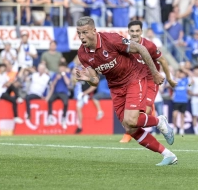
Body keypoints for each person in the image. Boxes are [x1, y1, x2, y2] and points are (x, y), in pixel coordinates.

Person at [76, 16, 176, 166]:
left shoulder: (111, 40)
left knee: (130, 120)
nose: (82, 37)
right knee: (129, 128)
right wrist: (88, 79)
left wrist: (155, 73)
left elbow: (141, 48)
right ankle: (168, 155)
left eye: (85, 32)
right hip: (115, 87)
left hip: (133, 79)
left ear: (94, 30)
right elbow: (95, 81)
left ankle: (159, 121)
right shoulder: (82, 54)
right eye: (79, 33)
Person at [119, 20, 177, 143]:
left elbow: (163, 61)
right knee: (130, 113)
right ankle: (130, 132)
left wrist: (170, 79)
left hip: (150, 79)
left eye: (137, 31)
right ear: (128, 32)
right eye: (132, 31)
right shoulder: (124, 46)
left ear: (141, 31)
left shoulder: (149, 46)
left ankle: (156, 119)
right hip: (134, 80)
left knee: (144, 111)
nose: (134, 34)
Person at [46, 62, 71, 129]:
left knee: (66, 103)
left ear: (65, 68)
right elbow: (52, 85)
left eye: (63, 67)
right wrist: (56, 78)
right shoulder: (55, 74)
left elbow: (68, 83)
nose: (62, 68)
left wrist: (64, 75)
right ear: (59, 68)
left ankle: (64, 118)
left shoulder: (67, 74)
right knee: (50, 100)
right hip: (56, 93)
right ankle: (50, 116)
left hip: (63, 93)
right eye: (61, 67)